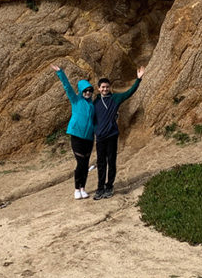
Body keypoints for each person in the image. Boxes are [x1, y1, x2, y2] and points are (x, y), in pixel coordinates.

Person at [93, 66, 146, 199]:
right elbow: (91, 117)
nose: (105, 89)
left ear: (109, 87)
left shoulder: (115, 98)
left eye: (107, 87)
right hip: (100, 137)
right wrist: (95, 130)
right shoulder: (96, 102)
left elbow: (129, 93)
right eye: (102, 87)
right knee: (101, 163)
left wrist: (138, 80)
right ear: (99, 88)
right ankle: (100, 188)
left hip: (111, 135)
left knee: (111, 161)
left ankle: (109, 187)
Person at [51, 64, 96, 199]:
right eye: (85, 90)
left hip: (89, 138)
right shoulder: (76, 100)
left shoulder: (92, 105)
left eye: (90, 90)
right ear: (81, 90)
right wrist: (60, 72)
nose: (88, 93)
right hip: (76, 136)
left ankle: (83, 188)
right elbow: (67, 87)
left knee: (86, 163)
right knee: (81, 163)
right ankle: (77, 189)